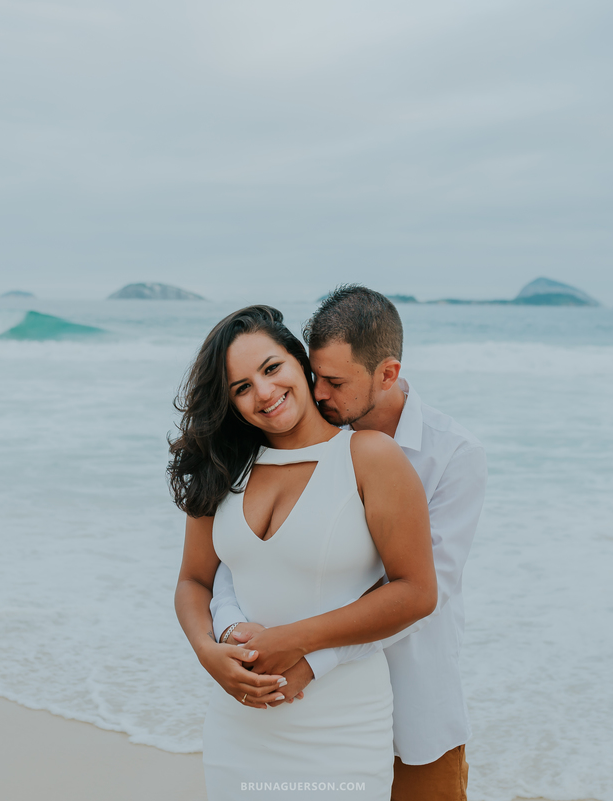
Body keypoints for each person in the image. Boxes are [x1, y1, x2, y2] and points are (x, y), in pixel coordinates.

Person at [210, 286, 487, 801]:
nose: (317, 394)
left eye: (335, 382)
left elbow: (427, 592)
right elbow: (249, 553)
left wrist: (310, 656)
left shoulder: (453, 454)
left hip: (410, 697)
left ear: (386, 374)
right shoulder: (302, 444)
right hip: (300, 700)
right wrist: (230, 627)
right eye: (315, 376)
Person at [170, 304, 437, 800]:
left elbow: (417, 592)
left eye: (272, 369)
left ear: (301, 363)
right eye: (241, 387)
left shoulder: (369, 456)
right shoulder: (224, 467)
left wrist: (290, 642)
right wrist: (209, 653)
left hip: (340, 726)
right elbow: (194, 582)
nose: (264, 393)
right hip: (238, 724)